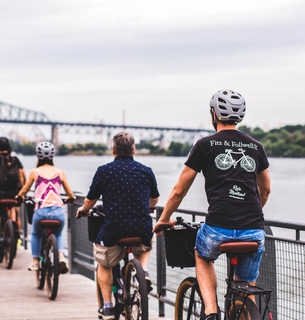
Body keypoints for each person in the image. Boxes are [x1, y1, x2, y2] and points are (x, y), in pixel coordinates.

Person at [153, 90, 271, 320]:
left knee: (203, 256)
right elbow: (265, 190)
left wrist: (165, 218)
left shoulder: (205, 145)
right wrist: (249, 214)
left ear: (214, 114)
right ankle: (246, 309)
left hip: (218, 225)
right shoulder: (256, 147)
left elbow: (179, 190)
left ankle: (210, 311)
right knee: (245, 285)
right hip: (254, 227)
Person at [77, 132, 159, 320]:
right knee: (146, 242)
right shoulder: (146, 170)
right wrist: (147, 206)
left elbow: (91, 199)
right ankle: (143, 271)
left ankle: (107, 307)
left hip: (114, 229)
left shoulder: (104, 171)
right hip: (141, 227)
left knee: (103, 264)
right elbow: (154, 199)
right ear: (134, 150)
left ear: (113, 150)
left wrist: (83, 210)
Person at [16, 141, 76, 273]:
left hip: (41, 211)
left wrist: (19, 196)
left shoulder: (34, 172)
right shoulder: (60, 172)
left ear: (38, 156)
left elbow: (25, 190)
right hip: (59, 212)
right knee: (58, 235)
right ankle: (61, 257)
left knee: (36, 234)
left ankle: (35, 261)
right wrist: (71, 198)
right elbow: (70, 193)